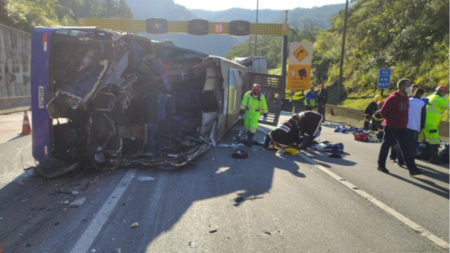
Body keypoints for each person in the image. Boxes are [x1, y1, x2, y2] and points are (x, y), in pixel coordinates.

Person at [377, 78, 423, 176]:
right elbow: (382, 112)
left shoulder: (406, 97)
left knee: (407, 148)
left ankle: (413, 169)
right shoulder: (392, 98)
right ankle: (381, 166)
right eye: (408, 85)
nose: (409, 88)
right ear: (402, 87)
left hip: (402, 128)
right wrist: (391, 120)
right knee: (386, 146)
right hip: (391, 127)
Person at [419, 85, 449, 163]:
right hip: (431, 124)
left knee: (419, 140)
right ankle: (434, 159)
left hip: (422, 122)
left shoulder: (429, 96)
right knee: (435, 142)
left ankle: (416, 154)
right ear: (441, 92)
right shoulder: (439, 99)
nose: (446, 94)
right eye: (445, 93)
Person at [397, 88, 426, 167]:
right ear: (421, 95)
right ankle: (410, 162)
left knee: (402, 144)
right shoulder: (422, 103)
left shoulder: (407, 100)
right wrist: (421, 127)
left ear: (414, 93)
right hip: (415, 127)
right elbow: (423, 117)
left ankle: (400, 161)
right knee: (412, 146)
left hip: (404, 126)